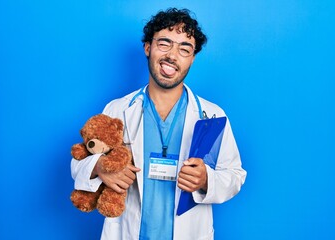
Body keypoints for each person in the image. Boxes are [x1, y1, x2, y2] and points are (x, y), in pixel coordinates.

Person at [71, 7, 246, 240]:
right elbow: (80, 160)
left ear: (192, 59)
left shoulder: (211, 115)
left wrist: (207, 180)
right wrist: (98, 168)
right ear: (148, 47)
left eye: (185, 48)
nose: (172, 55)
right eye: (165, 43)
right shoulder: (118, 109)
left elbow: (235, 174)